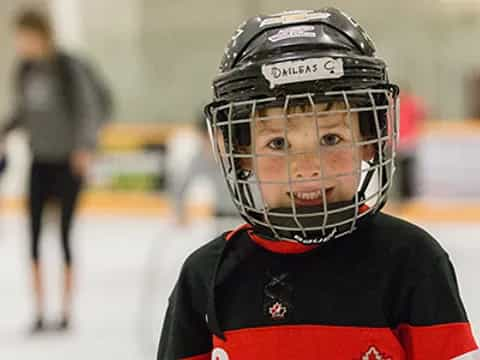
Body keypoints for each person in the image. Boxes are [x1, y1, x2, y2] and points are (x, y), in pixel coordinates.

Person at [157, 8, 478, 359]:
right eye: (277, 144)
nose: (308, 168)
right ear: (241, 152)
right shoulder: (206, 277)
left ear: (371, 140)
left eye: (331, 139)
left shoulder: (413, 262)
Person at [1, 9, 104, 333]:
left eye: (25, 37)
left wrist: (85, 149)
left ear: (41, 35)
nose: (20, 44)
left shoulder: (66, 67)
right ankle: (40, 311)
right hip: (39, 160)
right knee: (31, 235)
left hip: (68, 163)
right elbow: (22, 111)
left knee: (63, 235)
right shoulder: (25, 71)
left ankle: (65, 311)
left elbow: (88, 109)